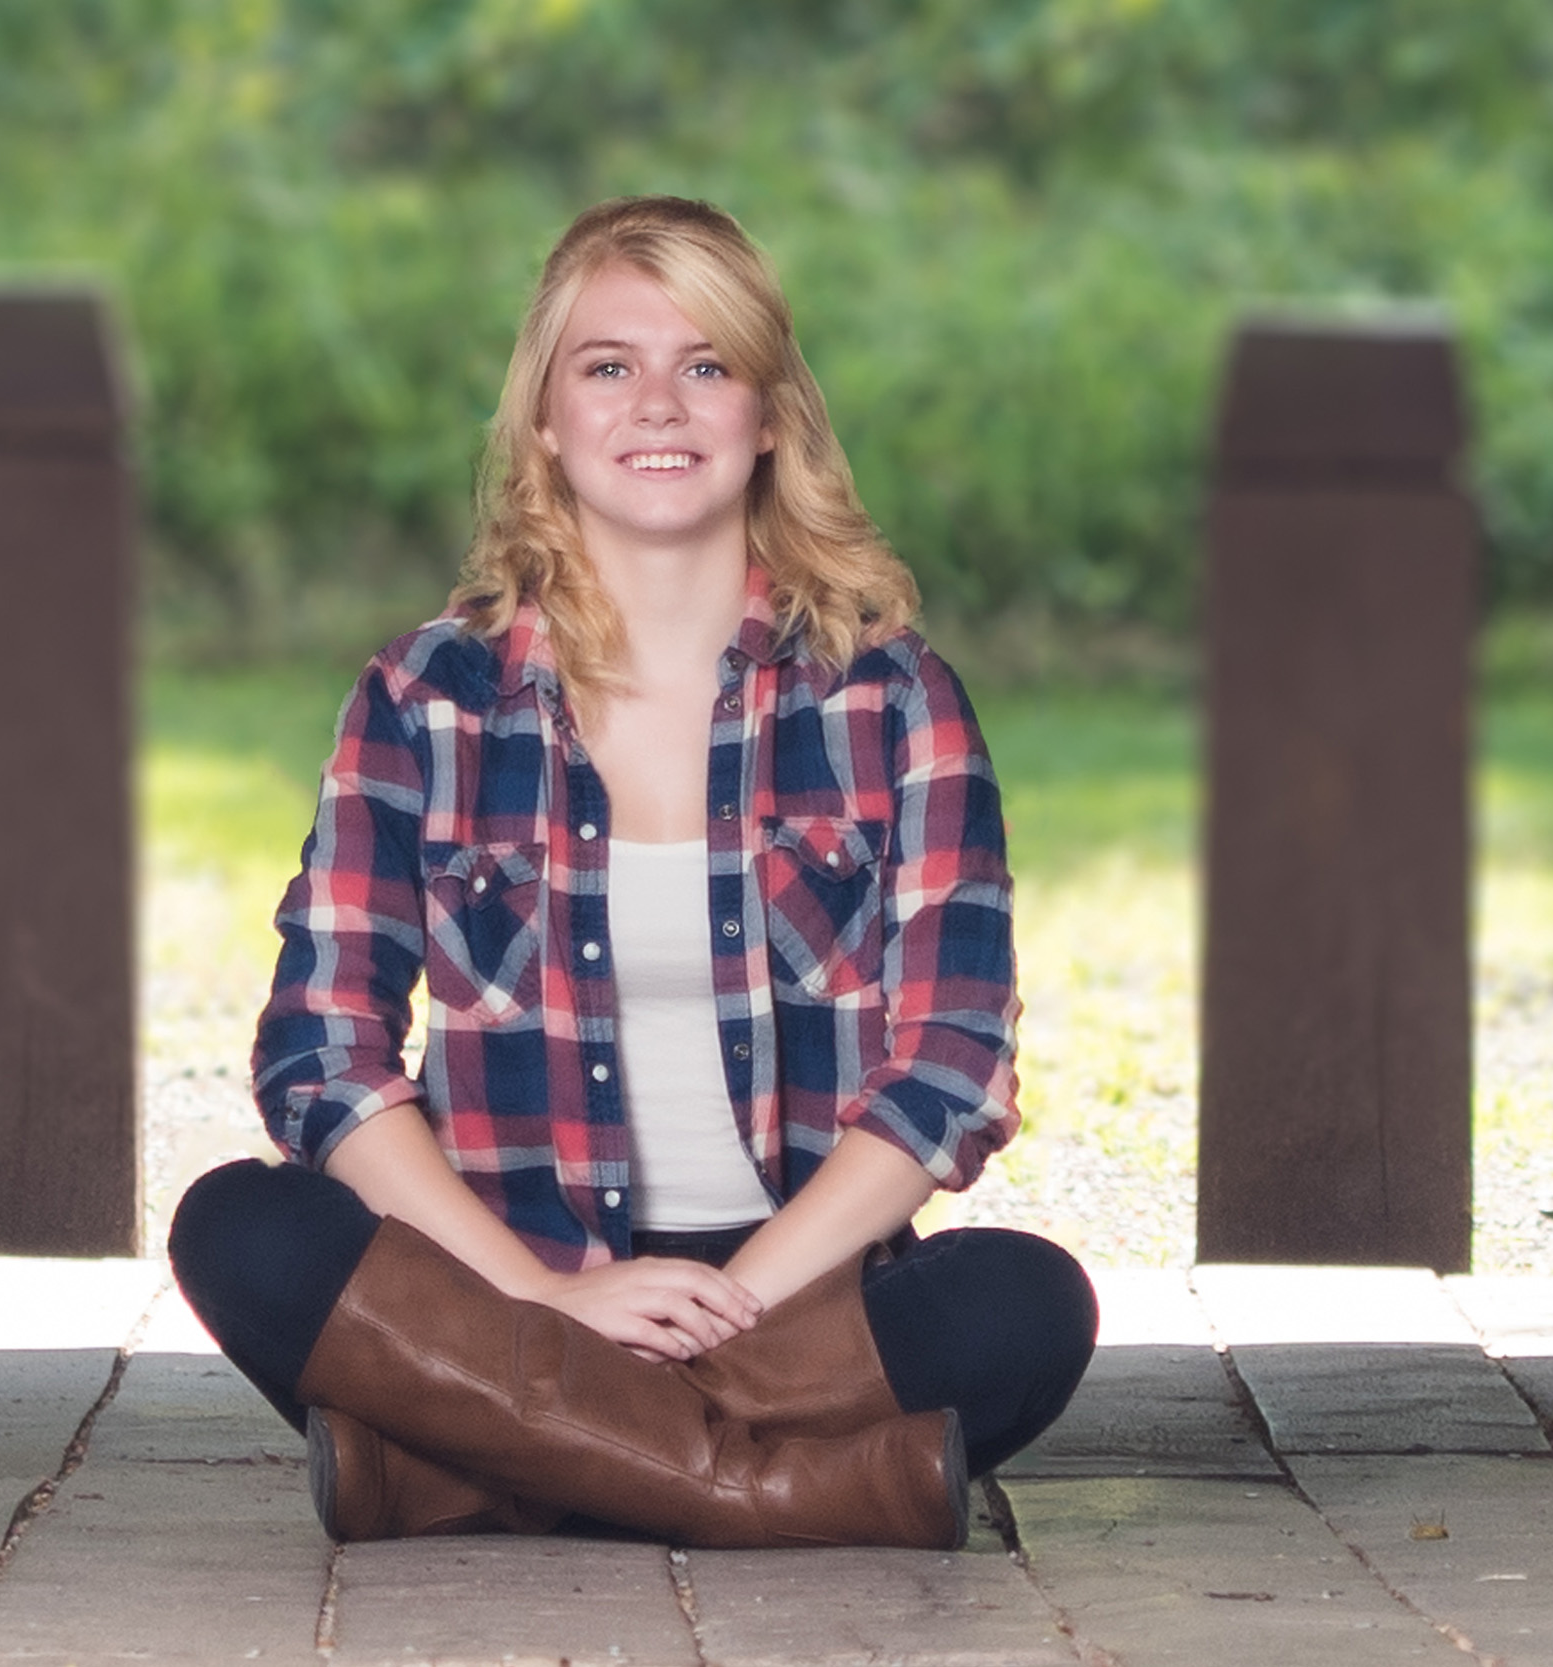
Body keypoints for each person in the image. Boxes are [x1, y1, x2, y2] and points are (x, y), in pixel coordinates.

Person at [166, 195, 1096, 1549]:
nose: (657, 404)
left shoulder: (890, 698)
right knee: (242, 1228)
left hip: (795, 1298)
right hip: (498, 1286)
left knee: (1023, 1305)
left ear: (768, 415)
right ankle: (770, 1484)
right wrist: (539, 1303)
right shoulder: (429, 697)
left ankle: (445, 1467)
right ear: (548, 417)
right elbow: (322, 1053)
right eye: (609, 366)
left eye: (704, 364)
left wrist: (743, 1300)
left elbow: (951, 1064)